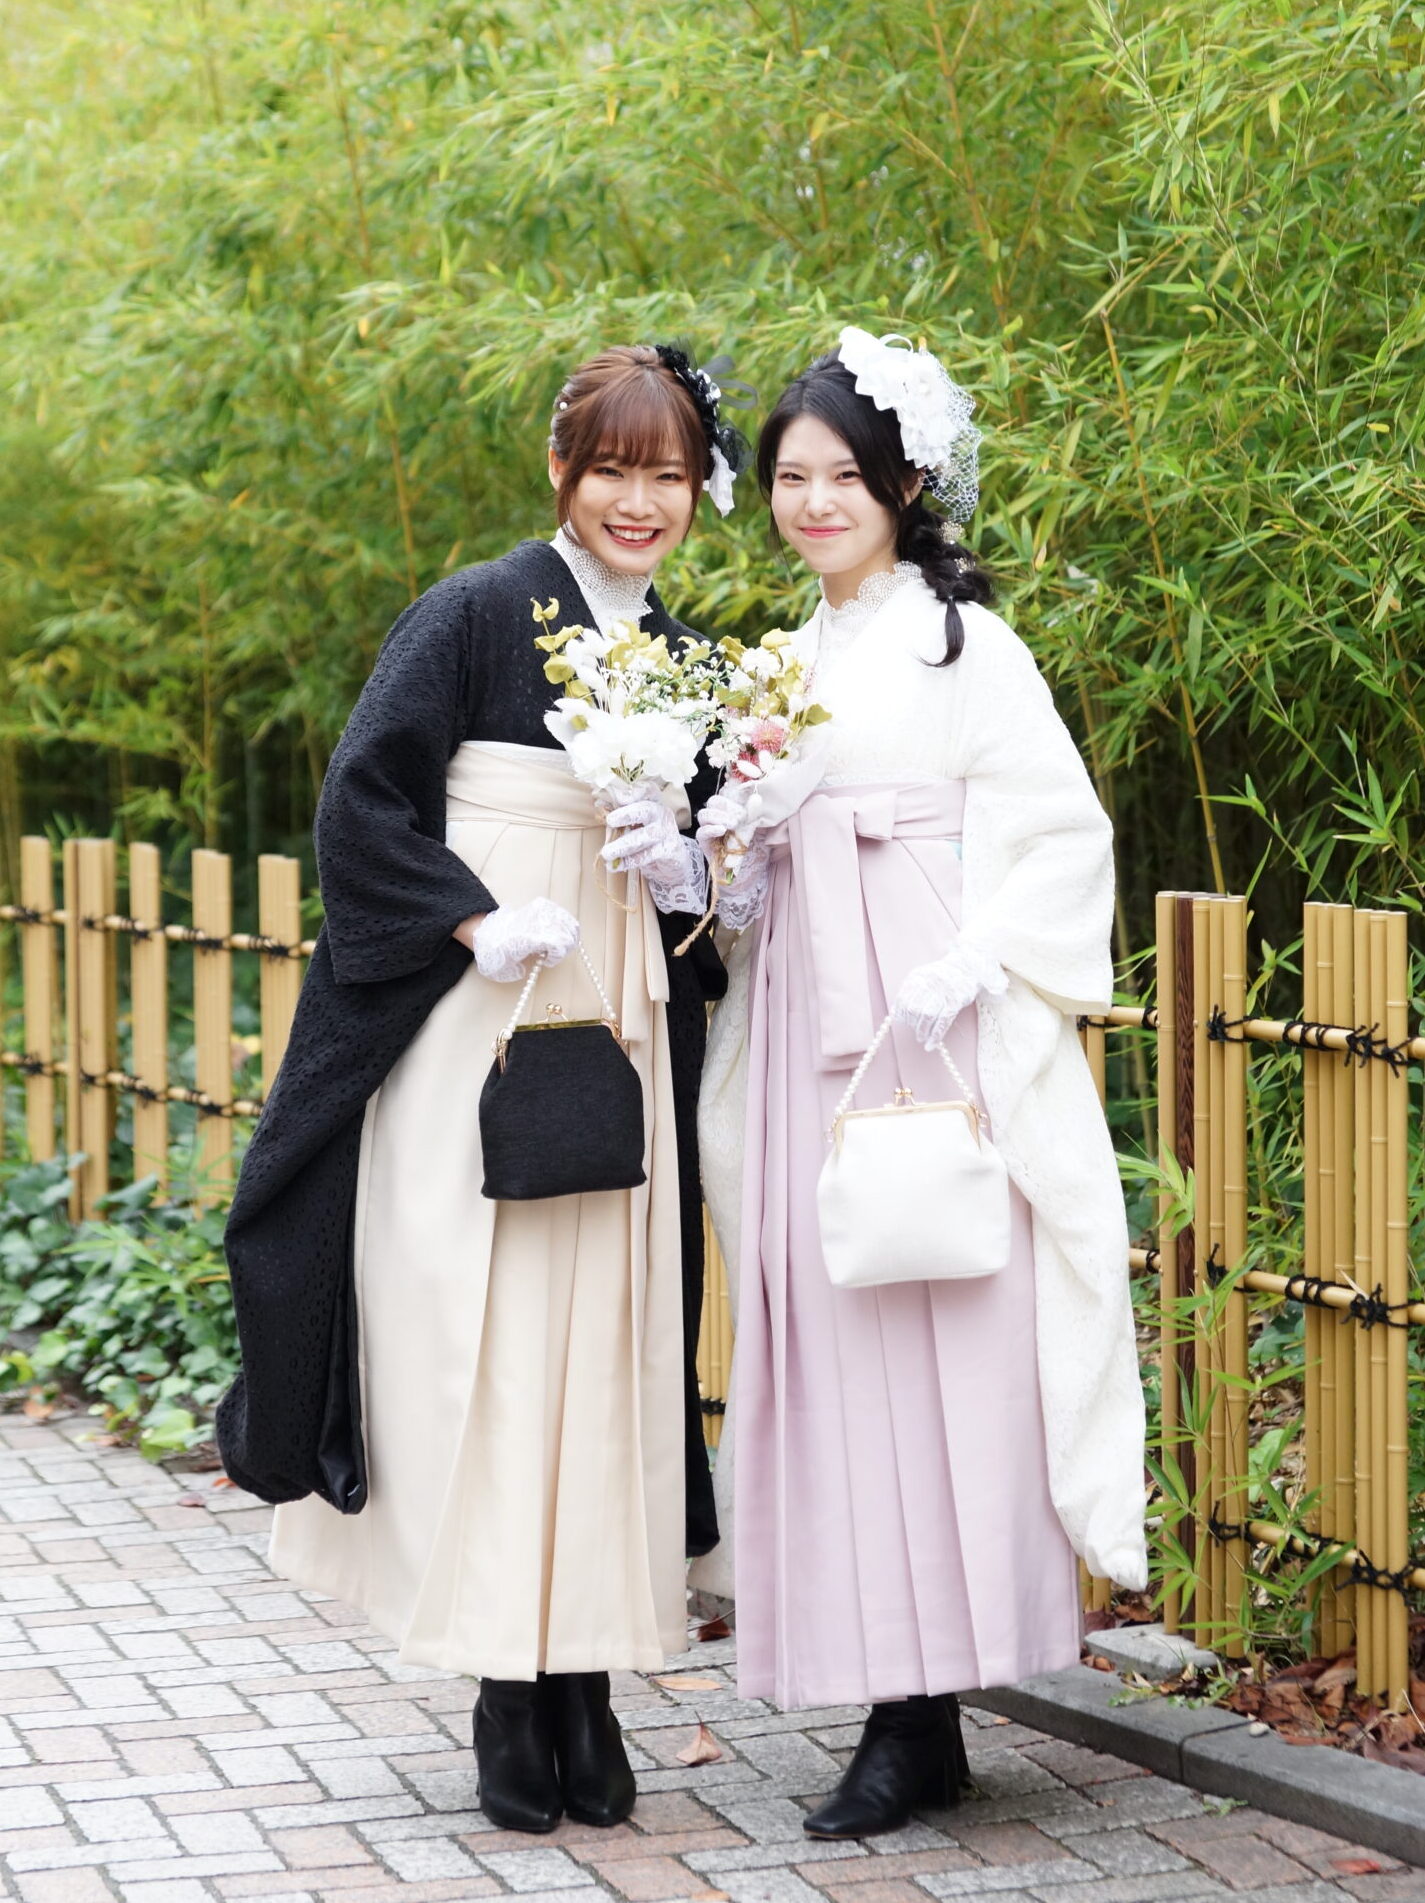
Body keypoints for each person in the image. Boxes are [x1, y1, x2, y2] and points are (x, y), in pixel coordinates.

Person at [216, 344, 745, 1834]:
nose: (639, 502)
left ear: (697, 490)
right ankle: (510, 1686)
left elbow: (729, 878)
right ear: (560, 470)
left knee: (612, 1343)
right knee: (492, 1337)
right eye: (613, 469)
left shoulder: (697, 662)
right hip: (484, 1007)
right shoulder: (470, 613)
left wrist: (691, 868)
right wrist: (469, 918)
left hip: (623, 1013)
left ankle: (585, 1675)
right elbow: (363, 802)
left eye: (668, 475)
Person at [692, 330, 1148, 1839]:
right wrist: (719, 850)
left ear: (901, 485)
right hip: (805, 1021)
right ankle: (895, 1696)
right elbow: (747, 884)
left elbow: (1062, 832)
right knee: (833, 1345)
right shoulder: (779, 662)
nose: (814, 503)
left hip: (928, 1020)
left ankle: (924, 1706)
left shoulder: (965, 647)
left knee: (947, 1338)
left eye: (843, 476)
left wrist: (976, 960)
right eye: (789, 478)